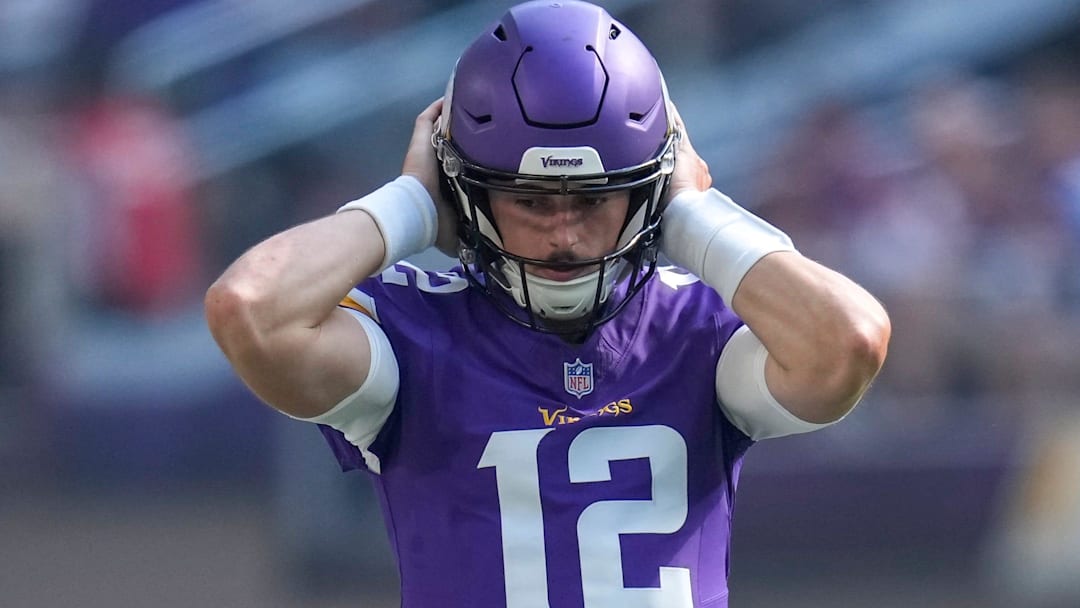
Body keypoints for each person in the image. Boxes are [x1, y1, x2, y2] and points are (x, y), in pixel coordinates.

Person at [205, 2, 891, 606]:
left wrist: (690, 215)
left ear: (647, 189)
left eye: (594, 200)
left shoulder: (696, 331)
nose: (563, 232)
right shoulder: (414, 338)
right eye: (530, 200)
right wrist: (411, 202)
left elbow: (849, 344)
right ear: (465, 192)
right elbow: (250, 310)